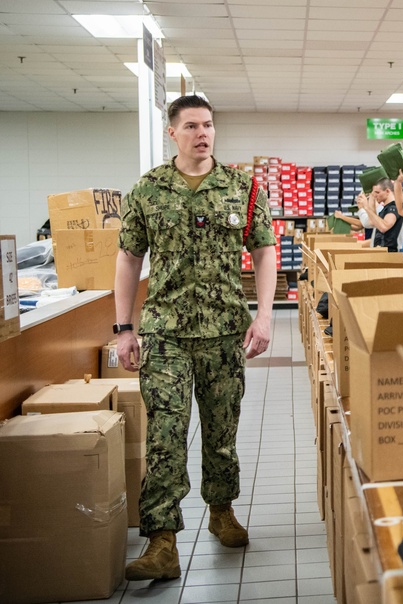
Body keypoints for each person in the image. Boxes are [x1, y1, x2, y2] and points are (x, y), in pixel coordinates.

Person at [114, 94, 277, 581]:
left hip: (225, 330)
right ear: (173, 134)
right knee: (165, 433)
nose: (202, 133)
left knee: (222, 429)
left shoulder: (242, 189)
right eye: (191, 126)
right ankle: (161, 540)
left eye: (208, 125)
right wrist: (124, 328)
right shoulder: (147, 191)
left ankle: (221, 509)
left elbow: (265, 252)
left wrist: (264, 316)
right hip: (165, 332)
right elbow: (128, 260)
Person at [358, 177, 403, 252]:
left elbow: (384, 227)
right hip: (381, 251)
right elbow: (372, 222)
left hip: (389, 253)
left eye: (377, 192)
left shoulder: (393, 208)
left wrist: (366, 207)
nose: (375, 195)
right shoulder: (384, 209)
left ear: (387, 191)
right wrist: (371, 199)